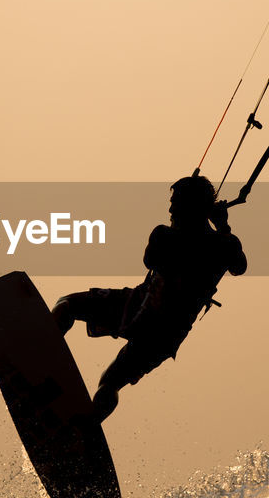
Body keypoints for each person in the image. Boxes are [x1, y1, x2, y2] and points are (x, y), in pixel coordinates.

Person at [51, 175, 248, 422]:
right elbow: (239, 266)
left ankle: (36, 354)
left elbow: (150, 259)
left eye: (176, 203)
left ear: (189, 207)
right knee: (111, 382)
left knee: (67, 304)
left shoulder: (165, 235)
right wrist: (222, 227)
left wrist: (197, 229)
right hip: (168, 335)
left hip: (138, 308)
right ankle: (88, 428)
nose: (170, 208)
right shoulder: (223, 245)